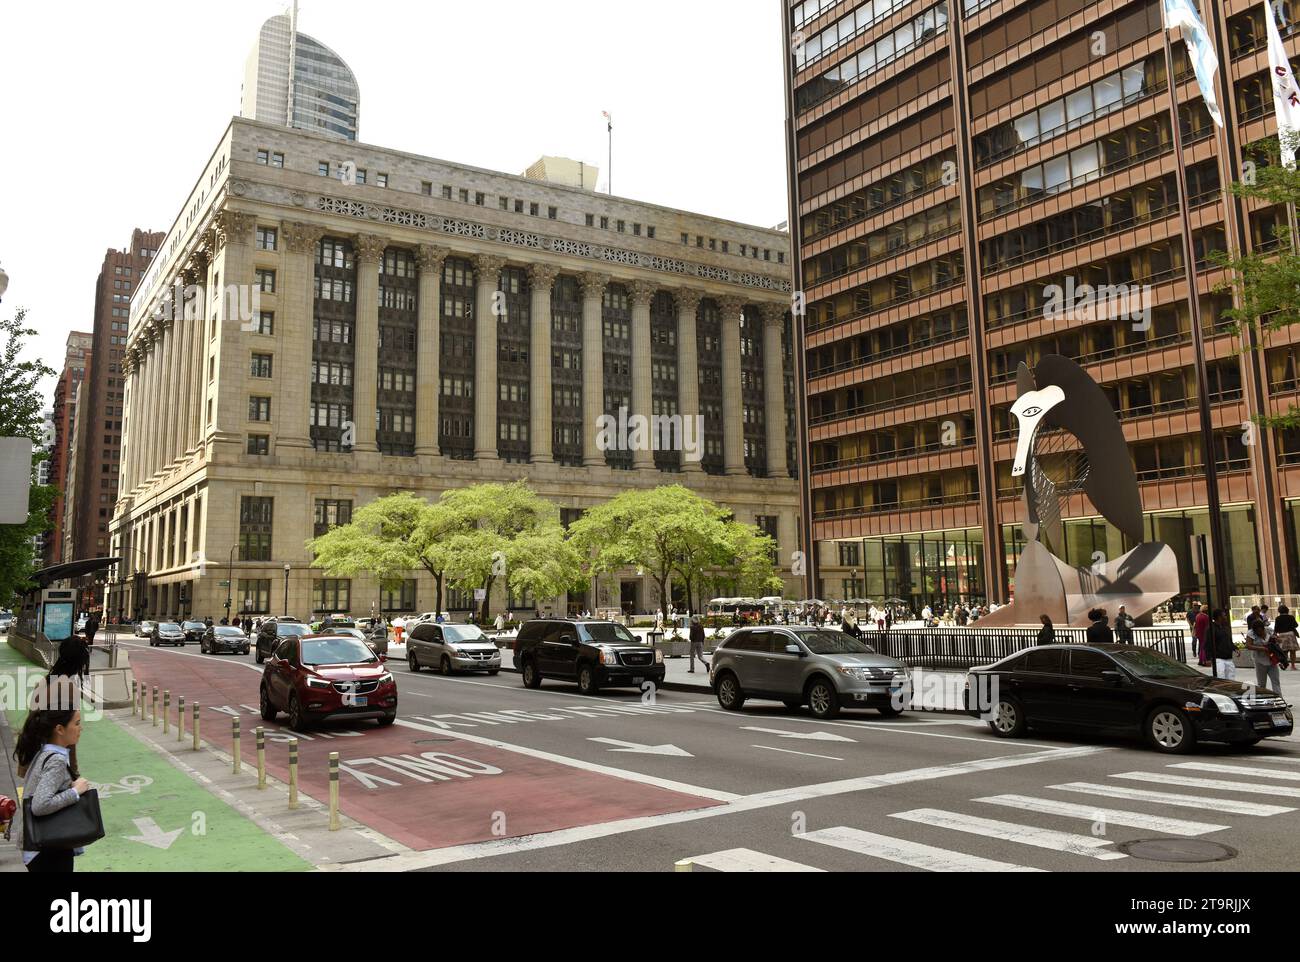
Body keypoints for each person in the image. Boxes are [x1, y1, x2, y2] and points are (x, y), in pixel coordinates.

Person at [14, 705, 92, 872]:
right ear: (59, 729)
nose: (81, 728)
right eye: (77, 723)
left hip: (42, 847)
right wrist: (75, 791)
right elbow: (40, 805)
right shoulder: (56, 760)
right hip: (48, 849)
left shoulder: (45, 752)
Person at [1245, 616, 1282, 694]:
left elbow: (1279, 639)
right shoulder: (1251, 633)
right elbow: (1248, 645)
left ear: (1263, 628)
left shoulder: (1269, 630)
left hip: (1272, 660)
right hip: (1259, 661)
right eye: (1257, 632)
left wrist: (1276, 639)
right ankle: (1263, 701)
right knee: (1261, 684)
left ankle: (1279, 699)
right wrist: (1262, 648)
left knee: (1276, 681)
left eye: (1261, 631)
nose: (1259, 633)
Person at [1211, 609, 1236, 680]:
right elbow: (1209, 643)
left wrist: (1234, 648)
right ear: (1219, 617)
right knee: (1221, 678)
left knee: (1231, 679)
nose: (1226, 617)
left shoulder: (1225, 627)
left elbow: (1228, 640)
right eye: (1224, 615)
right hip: (1218, 658)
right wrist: (1209, 657)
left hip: (1228, 658)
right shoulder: (1212, 628)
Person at [1275, 605, 1299, 669]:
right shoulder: (1291, 617)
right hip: (1290, 635)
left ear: (1279, 611)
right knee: (1292, 651)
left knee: (1283, 651)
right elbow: (1295, 625)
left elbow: (1276, 629)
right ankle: (1293, 666)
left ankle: (1284, 664)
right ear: (1287, 610)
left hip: (1282, 635)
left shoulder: (1278, 618)